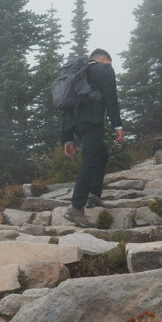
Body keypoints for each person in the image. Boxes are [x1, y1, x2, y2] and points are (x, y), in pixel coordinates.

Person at [61, 49, 124, 225]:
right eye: (109, 63)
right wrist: (117, 125)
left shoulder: (75, 74)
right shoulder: (104, 69)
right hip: (91, 121)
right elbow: (111, 98)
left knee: (101, 154)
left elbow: (64, 105)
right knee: (90, 160)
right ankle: (76, 208)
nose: (110, 67)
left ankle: (93, 195)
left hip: (75, 123)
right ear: (103, 59)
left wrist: (67, 137)